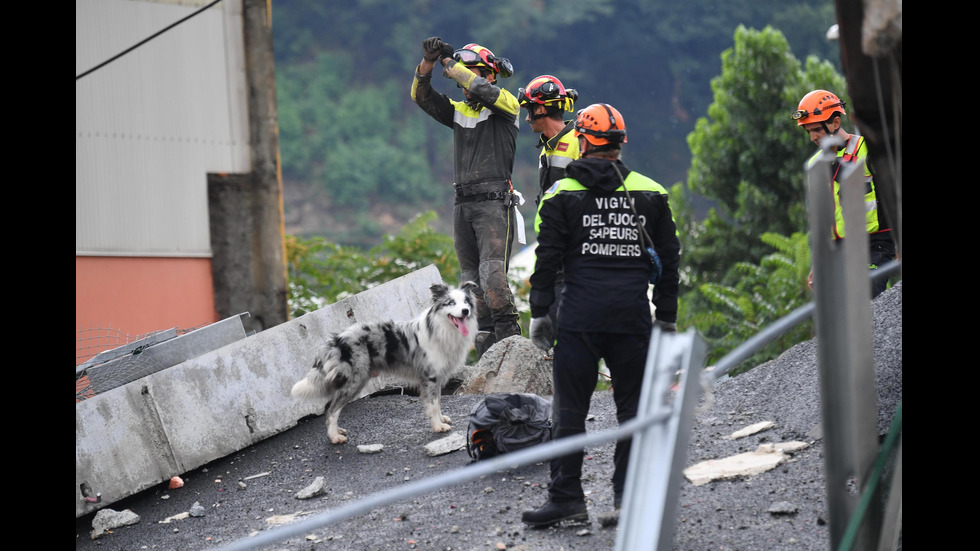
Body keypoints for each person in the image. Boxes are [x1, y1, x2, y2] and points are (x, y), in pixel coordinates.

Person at [521, 103, 681, 527]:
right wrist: (666, 314)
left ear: (585, 141)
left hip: (579, 318)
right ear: (619, 145)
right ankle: (628, 501)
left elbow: (548, 258)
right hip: (632, 319)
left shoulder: (561, 194)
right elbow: (670, 258)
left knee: (569, 411)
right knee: (632, 411)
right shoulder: (652, 191)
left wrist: (539, 312)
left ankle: (568, 500)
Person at [411, 38, 523, 357]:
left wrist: (450, 64)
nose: (464, 78)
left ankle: (511, 344)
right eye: (464, 71)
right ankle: (488, 349)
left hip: (493, 203)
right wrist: (428, 64)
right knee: (470, 284)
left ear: (490, 75)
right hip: (464, 204)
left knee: (492, 277)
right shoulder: (460, 112)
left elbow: (479, 89)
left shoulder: (506, 105)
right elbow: (421, 96)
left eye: (472, 72)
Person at [793, 89, 896, 298]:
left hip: (874, 245)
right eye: (808, 131)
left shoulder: (867, 149)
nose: (812, 137)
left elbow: (895, 196)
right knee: (842, 314)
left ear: (835, 123)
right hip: (839, 251)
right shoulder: (815, 166)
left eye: (816, 130)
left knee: (867, 302)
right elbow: (821, 219)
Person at [518, 74, 579, 329]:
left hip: (573, 247)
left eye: (530, 110)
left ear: (542, 108)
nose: (528, 117)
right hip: (552, 245)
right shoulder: (546, 148)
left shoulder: (577, 141)